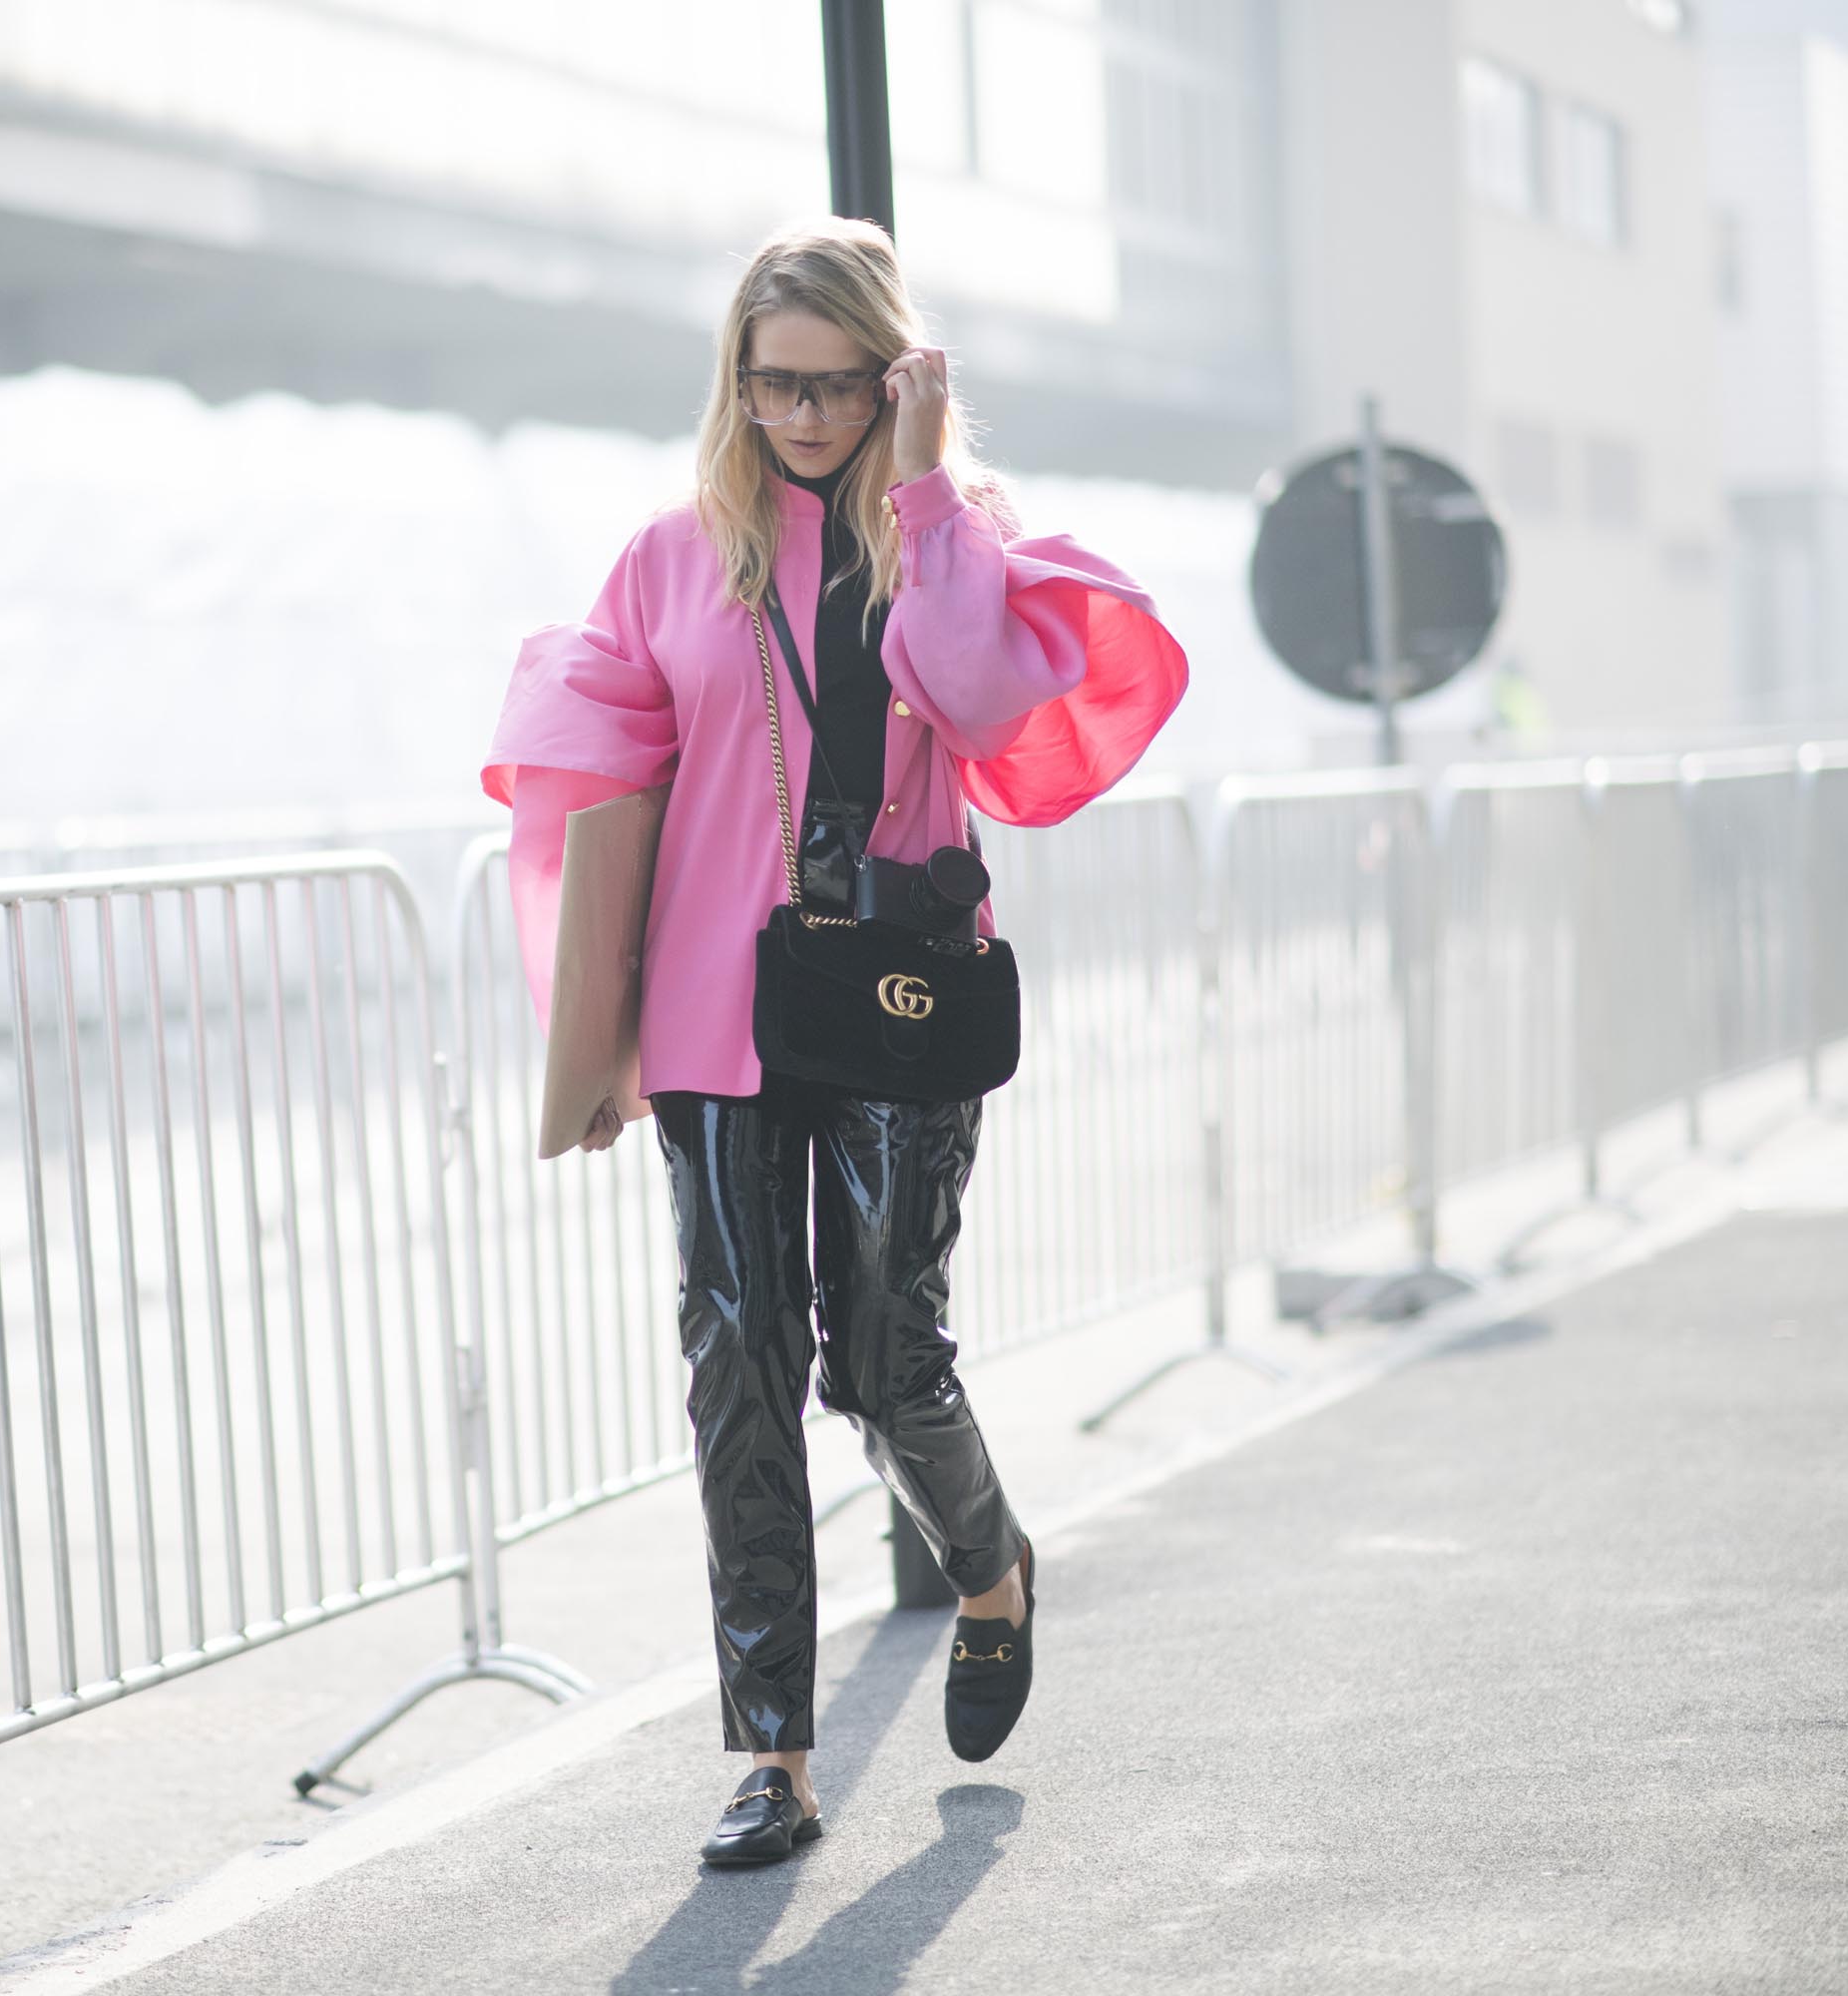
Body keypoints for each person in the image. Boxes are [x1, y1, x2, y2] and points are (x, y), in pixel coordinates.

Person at [481, 217, 1188, 1867]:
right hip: (721, 1018)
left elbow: (979, 692)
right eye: (772, 385)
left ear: (895, 375)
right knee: (740, 1366)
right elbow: (605, 790)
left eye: (837, 386)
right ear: (735, 383)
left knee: (883, 1360)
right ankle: (773, 1758)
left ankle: (992, 1564)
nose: (801, 417)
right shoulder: (672, 553)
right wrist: (591, 1031)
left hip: (898, 994)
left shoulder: (955, 535)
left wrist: (927, 486)